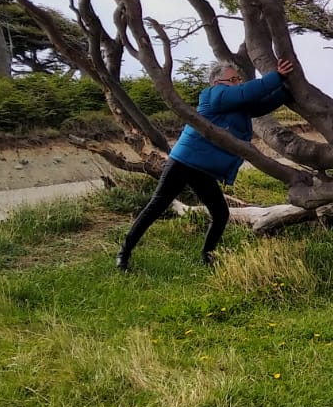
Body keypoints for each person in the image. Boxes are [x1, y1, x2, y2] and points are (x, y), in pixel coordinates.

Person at [117, 55, 295, 271]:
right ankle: (124, 253)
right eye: (233, 80)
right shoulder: (214, 94)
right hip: (184, 161)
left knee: (221, 214)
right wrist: (277, 76)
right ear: (217, 82)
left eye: (238, 79)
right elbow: (245, 93)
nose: (238, 83)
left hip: (202, 169)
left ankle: (207, 256)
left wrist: (286, 91)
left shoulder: (236, 104)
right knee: (157, 206)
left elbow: (259, 105)